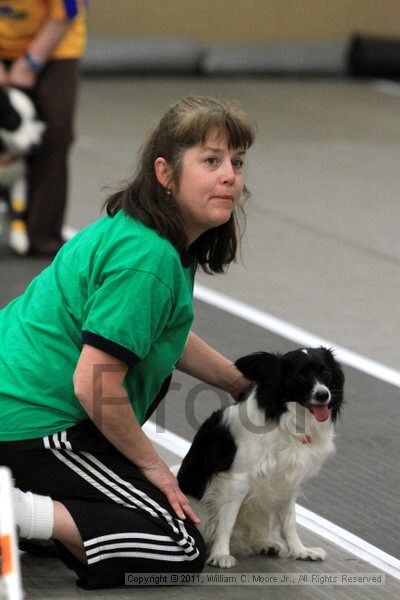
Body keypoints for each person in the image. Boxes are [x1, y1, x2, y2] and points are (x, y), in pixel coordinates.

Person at [0, 96, 255, 589]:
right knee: (177, 545)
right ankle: (13, 506)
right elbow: (95, 383)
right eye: (211, 160)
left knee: (113, 509)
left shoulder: (145, 235)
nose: (230, 176)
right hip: (31, 425)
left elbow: (153, 333)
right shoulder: (149, 259)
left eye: (237, 162)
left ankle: (25, 503)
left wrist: (236, 382)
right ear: (165, 172)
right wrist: (154, 467)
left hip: (20, 413)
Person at [0, 0, 86, 255]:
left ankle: (43, 235)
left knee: (55, 134)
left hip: (56, 47)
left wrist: (30, 64)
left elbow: (68, 11)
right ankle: (14, 215)